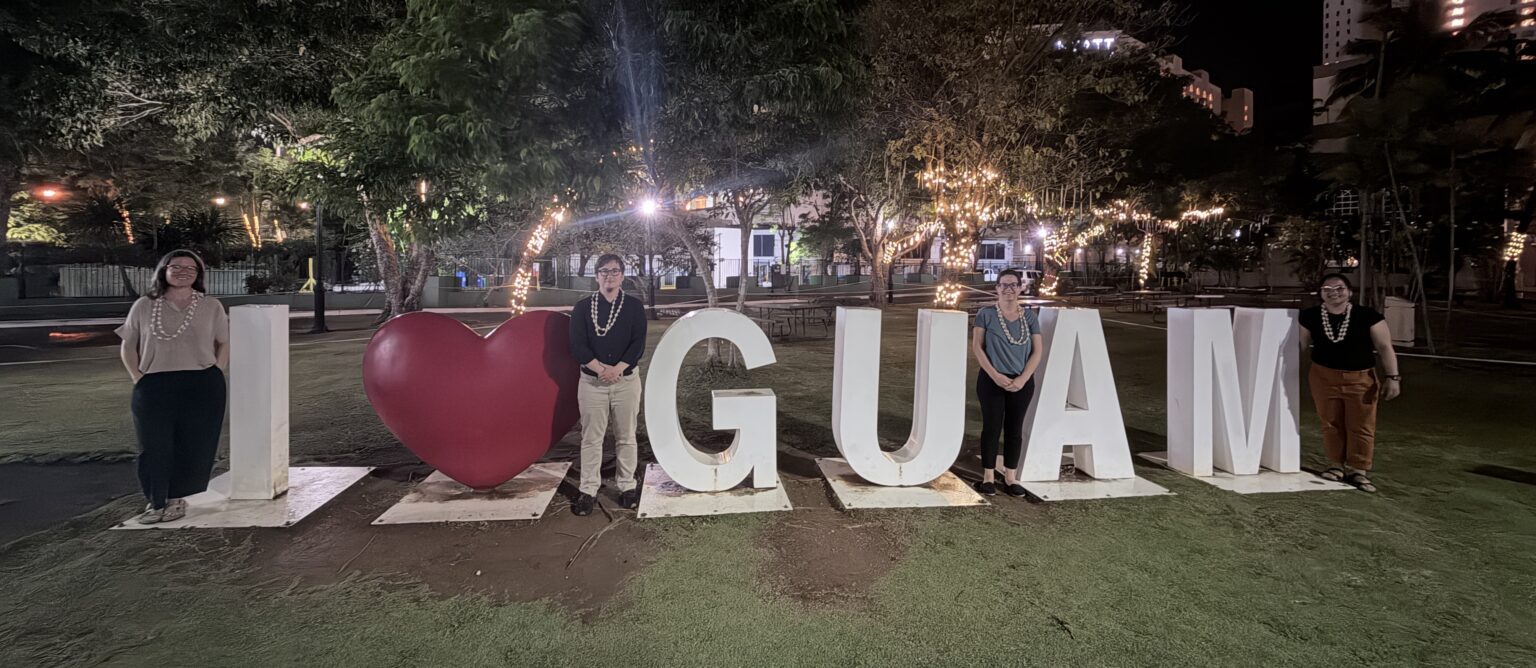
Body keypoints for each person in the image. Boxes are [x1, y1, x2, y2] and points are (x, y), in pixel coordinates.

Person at [116, 249, 230, 524]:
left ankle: (177, 499)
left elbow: (225, 341)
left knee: (194, 443)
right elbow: (128, 345)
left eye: (191, 269)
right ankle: (155, 500)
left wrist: (218, 368)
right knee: (153, 443)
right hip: (154, 383)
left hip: (201, 382)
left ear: (198, 275)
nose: (183, 273)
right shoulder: (144, 305)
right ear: (163, 271)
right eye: (176, 267)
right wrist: (137, 376)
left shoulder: (211, 305)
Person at [1298, 273, 1401, 493]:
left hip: (1360, 378)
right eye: (1327, 289)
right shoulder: (1310, 316)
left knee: (1361, 425)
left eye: (1340, 288)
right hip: (1323, 377)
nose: (1334, 292)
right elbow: (1300, 345)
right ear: (1321, 293)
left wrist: (1393, 377)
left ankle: (1358, 470)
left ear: (1349, 292)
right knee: (1330, 422)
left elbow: (1385, 348)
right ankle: (1335, 465)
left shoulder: (1368, 316)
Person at [568, 253, 647, 515]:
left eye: (614, 271)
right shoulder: (582, 307)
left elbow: (638, 344)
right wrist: (601, 370)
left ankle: (626, 485)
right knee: (592, 438)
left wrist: (618, 370)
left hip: (625, 381)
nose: (609, 276)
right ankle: (588, 489)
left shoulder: (634, 307)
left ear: (622, 275)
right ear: (596, 275)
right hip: (592, 383)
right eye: (604, 271)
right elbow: (577, 346)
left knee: (626, 436)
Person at [970, 269, 1043, 497]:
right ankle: (989, 477)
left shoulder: (1029, 317)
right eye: (1004, 285)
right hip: (992, 380)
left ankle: (1011, 477)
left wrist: (1022, 379)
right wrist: (995, 376)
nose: (1009, 289)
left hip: (1021, 383)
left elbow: (1037, 351)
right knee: (991, 427)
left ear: (1020, 288)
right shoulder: (986, 314)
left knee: (1014, 429)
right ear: (997, 288)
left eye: (1013, 285)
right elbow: (977, 348)